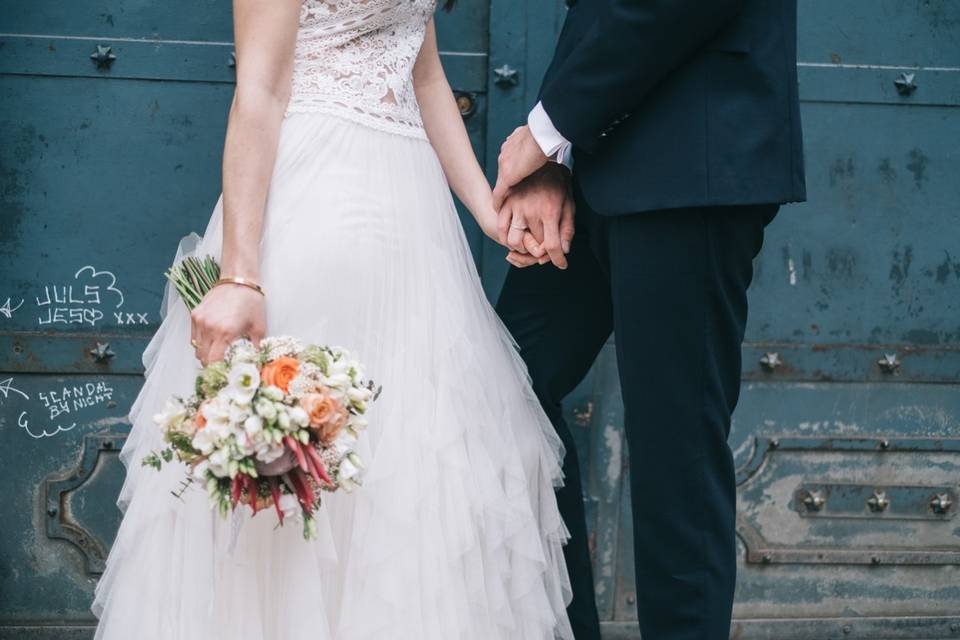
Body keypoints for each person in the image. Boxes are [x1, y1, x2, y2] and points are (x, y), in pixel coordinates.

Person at [91, 2, 573, 638]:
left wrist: (488, 212)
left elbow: (422, 76)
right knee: (301, 458)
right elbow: (259, 91)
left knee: (407, 461)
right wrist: (239, 276)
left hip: (411, 218)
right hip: (318, 191)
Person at [492, 1, 806, 638]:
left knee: (676, 462)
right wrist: (556, 153)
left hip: (691, 163)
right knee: (507, 381)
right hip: (602, 157)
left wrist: (548, 129)